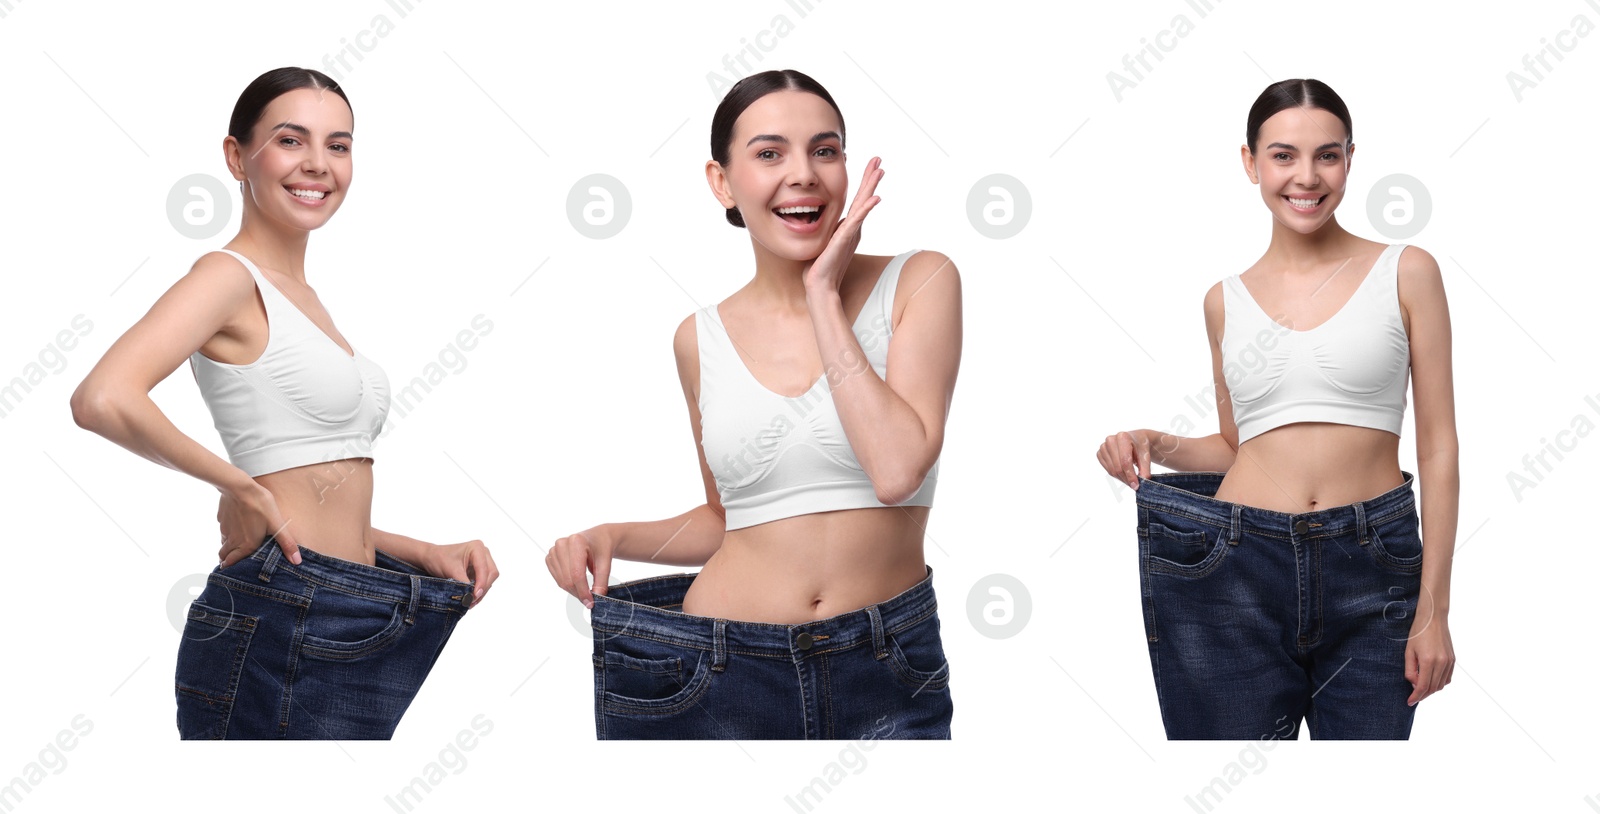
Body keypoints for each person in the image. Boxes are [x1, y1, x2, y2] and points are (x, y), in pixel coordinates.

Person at [70, 67, 499, 740]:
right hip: (285, 615)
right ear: (238, 157)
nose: (318, 165)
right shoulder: (226, 278)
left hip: (352, 604)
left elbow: (303, 496)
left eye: (339, 145)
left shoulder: (308, 300)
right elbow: (100, 397)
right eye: (291, 141)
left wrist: (418, 549)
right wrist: (236, 484)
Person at [545, 69, 962, 740]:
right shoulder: (697, 339)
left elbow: (896, 470)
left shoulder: (921, 281)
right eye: (770, 154)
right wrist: (613, 537)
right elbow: (725, 519)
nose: (804, 173)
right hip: (710, 670)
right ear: (722, 182)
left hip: (886, 668)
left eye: (825, 150)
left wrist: (824, 296)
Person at [1095, 78, 1458, 740]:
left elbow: (1437, 450)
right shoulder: (1223, 300)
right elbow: (1240, 445)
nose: (1307, 177)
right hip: (1235, 566)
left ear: (1351, 158)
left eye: (1327, 155)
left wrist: (1434, 608)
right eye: (1284, 155)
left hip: (1373, 565)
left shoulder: (1407, 271)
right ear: (1250, 163)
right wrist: (1155, 440)